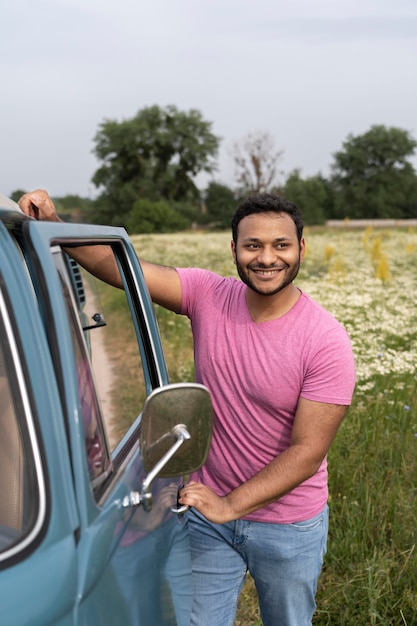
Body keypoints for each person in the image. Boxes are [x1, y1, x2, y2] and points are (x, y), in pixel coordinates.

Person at [19, 189, 356, 626]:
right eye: (253, 245)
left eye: (281, 245)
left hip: (287, 524)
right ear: (234, 249)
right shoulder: (209, 294)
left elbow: (307, 453)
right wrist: (55, 222)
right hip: (207, 514)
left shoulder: (326, 340)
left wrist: (231, 504)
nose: (266, 258)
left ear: (301, 249)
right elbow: (123, 269)